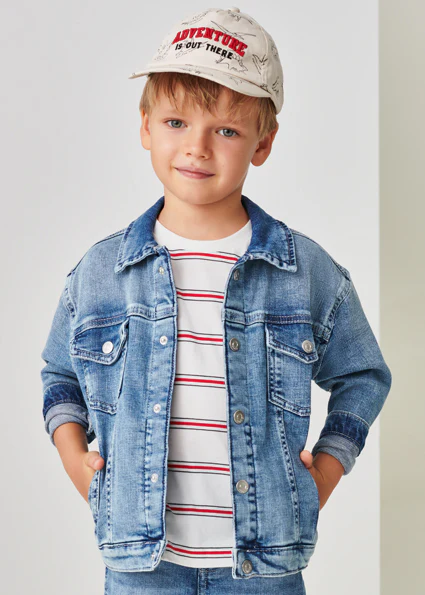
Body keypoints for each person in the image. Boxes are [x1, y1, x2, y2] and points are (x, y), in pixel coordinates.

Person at [40, 7, 392, 594]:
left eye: (225, 130)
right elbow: (59, 373)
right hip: (140, 567)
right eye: (176, 122)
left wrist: (326, 472)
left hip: (264, 567)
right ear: (146, 127)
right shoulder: (102, 272)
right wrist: (77, 460)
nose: (197, 147)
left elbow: (363, 374)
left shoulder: (305, 271)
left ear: (263, 143)